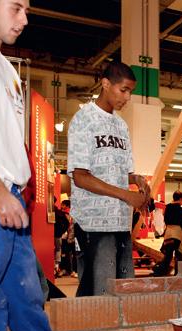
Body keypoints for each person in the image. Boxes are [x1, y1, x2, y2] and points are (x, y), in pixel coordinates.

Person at [0, 0, 107, 331]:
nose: (25, 19)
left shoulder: (5, 67)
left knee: (28, 299)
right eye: (16, 8)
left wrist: (16, 192)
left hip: (9, 199)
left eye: (27, 9)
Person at [67, 61, 150, 296]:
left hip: (120, 223)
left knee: (123, 294)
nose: (127, 97)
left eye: (130, 91)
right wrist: (126, 195)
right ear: (105, 84)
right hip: (93, 225)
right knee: (98, 297)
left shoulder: (121, 126)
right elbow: (81, 177)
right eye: (123, 90)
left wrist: (137, 180)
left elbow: (122, 172)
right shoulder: (84, 119)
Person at [153, 190, 182, 276]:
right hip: (177, 234)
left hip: (168, 234)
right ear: (180, 199)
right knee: (178, 254)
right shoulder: (180, 210)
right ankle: (177, 273)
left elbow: (166, 220)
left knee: (168, 255)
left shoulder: (168, 207)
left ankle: (160, 272)